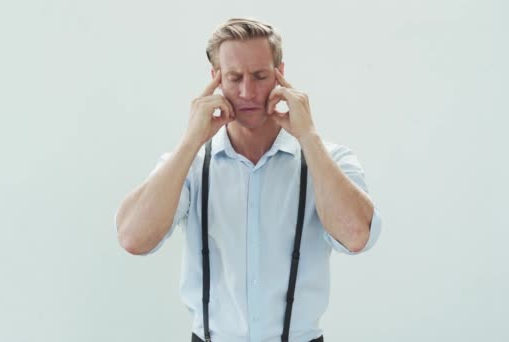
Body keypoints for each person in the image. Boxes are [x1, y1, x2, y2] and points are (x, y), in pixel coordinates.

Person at [115, 17, 382, 342]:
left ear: (280, 74)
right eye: (234, 77)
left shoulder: (327, 159)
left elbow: (356, 235)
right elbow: (133, 238)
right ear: (215, 80)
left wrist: (308, 136)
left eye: (260, 76)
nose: (247, 92)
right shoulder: (192, 163)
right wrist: (190, 142)